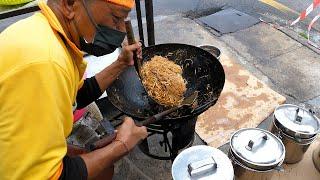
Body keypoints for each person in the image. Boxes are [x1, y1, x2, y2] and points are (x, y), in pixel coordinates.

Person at [0, 0, 148, 179]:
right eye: (116, 18)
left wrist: (122, 63)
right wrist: (121, 146)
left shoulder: (47, 33)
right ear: (69, 5)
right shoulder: (45, 62)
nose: (121, 32)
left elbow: (77, 96)